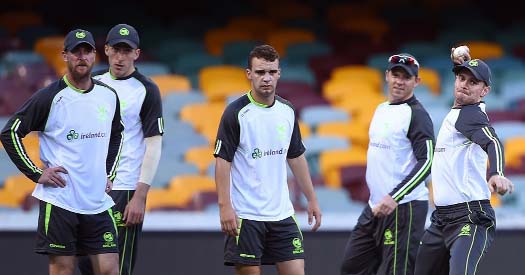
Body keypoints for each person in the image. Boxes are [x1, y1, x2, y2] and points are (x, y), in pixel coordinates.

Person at [0, 29, 123, 275]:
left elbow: (117, 134)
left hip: (97, 201)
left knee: (110, 270)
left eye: (87, 51)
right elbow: (10, 132)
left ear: (94, 56)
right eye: (76, 52)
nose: (82, 57)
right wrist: (36, 173)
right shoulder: (49, 97)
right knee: (63, 270)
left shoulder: (108, 96)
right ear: (65, 56)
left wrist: (110, 172)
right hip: (61, 201)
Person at [213, 44, 322, 275]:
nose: (266, 78)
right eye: (261, 72)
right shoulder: (236, 113)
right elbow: (222, 161)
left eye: (272, 72)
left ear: (279, 74)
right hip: (246, 216)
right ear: (249, 74)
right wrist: (225, 207)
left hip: (282, 214)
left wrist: (311, 198)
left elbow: (296, 156)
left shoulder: (287, 111)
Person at [414, 47, 514, 275]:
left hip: (469, 217)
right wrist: (468, 64)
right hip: (442, 219)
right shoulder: (461, 112)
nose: (464, 84)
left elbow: (493, 142)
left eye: (473, 82)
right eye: (461, 78)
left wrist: (497, 172)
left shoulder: (469, 114)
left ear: (485, 90)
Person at [78, 24, 163, 275]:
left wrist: (140, 196)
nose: (120, 57)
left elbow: (154, 144)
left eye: (126, 51)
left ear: (137, 53)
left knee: (118, 267)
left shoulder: (146, 90)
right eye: (116, 50)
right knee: (85, 266)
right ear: (106, 50)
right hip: (88, 187)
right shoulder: (92, 83)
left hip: (124, 189)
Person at [340, 53, 435, 275]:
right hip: (375, 206)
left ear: (416, 82)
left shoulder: (418, 115)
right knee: (353, 267)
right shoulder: (381, 109)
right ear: (387, 76)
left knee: (397, 271)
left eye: (406, 77)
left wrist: (395, 196)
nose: (400, 81)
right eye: (396, 75)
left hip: (405, 207)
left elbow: (427, 161)